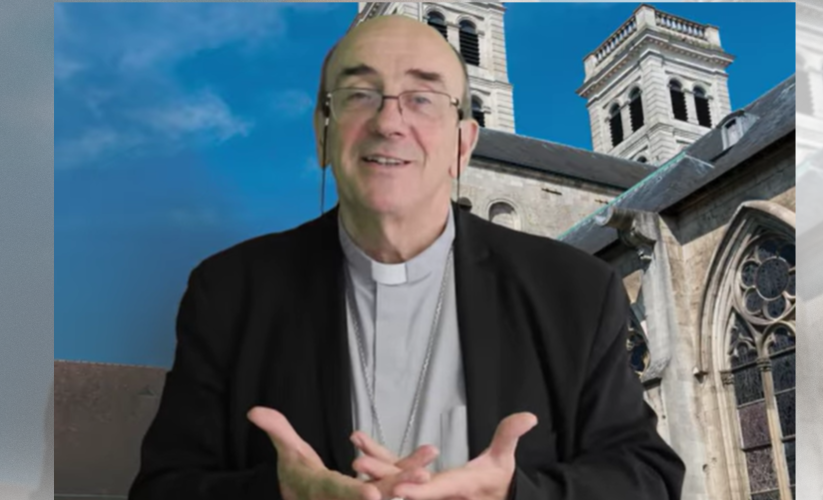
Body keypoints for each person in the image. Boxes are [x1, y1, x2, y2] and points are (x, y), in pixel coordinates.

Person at [128, 14, 685, 500]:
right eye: (358, 94)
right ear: (322, 134)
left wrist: (516, 494)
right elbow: (162, 489)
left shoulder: (575, 288)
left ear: (464, 143)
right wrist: (279, 493)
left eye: (423, 98)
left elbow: (648, 479)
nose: (389, 122)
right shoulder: (229, 291)